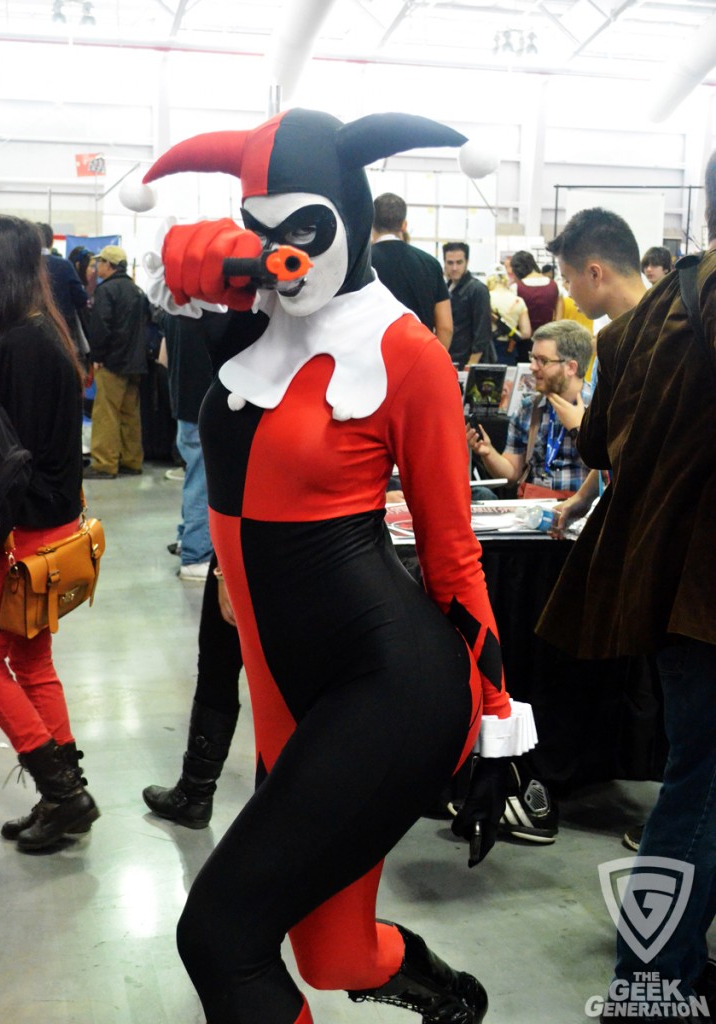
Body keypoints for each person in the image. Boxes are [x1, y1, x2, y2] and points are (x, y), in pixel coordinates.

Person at [141, 107, 535, 1024]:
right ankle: (454, 1000)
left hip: (388, 686)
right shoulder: (258, 324)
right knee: (332, 953)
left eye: (304, 229)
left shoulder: (405, 353)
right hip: (288, 683)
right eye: (263, 229)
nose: (284, 255)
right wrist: (198, 281)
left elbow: (451, 551)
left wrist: (494, 720)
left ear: (350, 214)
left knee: (221, 936)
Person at [536, 151, 716, 1023]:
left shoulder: (650, 314)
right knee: (703, 783)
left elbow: (598, 445)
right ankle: (652, 982)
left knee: (699, 774)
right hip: (706, 592)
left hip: (668, 588)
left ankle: (670, 965)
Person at [0, 214, 100, 851]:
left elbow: (12, 464)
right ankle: (63, 795)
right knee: (32, 664)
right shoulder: (43, 333)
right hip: (48, 530)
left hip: (22, 535)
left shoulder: (19, 346)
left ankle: (61, 791)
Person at [546, 207, 647, 533]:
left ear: (594, 273)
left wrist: (581, 427)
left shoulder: (650, 337)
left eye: (567, 278)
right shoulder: (616, 338)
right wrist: (585, 497)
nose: (567, 291)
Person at [143, 550, 243, 827]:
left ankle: (194, 795)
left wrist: (225, 569)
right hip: (326, 549)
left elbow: (232, 504)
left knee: (219, 666)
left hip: (255, 548)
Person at [466, 319, 593, 499]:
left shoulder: (600, 408)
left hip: (583, 512)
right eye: (533, 358)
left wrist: (579, 429)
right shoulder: (528, 408)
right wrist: (488, 453)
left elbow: (610, 472)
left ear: (571, 367)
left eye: (543, 361)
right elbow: (511, 474)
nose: (532, 367)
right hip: (534, 513)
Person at [162, 308, 233, 581]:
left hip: (184, 402)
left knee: (194, 475)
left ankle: (185, 539)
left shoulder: (174, 308)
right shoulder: (212, 311)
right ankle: (196, 554)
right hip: (203, 404)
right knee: (202, 479)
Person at [84, 245, 149, 479]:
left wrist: (98, 357)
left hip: (112, 361)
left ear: (109, 265)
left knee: (106, 413)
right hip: (136, 362)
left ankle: (104, 463)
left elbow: (101, 326)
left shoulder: (106, 290)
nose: (96, 267)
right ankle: (132, 460)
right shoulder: (136, 290)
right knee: (130, 414)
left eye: (99, 262)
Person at [370, 191, 453, 348]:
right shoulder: (430, 264)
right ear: (404, 225)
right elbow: (445, 327)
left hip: (375, 358)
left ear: (372, 223)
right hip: (419, 355)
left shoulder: (361, 264)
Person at [36, 222, 90, 360]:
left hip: (31, 328)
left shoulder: (24, 265)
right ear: (51, 242)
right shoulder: (64, 265)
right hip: (62, 330)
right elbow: (81, 299)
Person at [442, 242, 495, 369]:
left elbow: (482, 331)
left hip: (469, 361)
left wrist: (471, 364)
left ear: (467, 262)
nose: (454, 267)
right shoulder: (446, 288)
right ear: (444, 263)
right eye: (450, 263)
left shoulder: (478, 290)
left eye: (459, 262)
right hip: (451, 358)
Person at [510, 250, 562, 358]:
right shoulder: (555, 286)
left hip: (524, 342)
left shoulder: (516, 288)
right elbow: (558, 320)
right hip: (549, 340)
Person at [486, 263, 531, 365]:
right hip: (509, 349)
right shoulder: (518, 301)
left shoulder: (485, 298)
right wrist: (512, 332)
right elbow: (526, 333)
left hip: (489, 349)